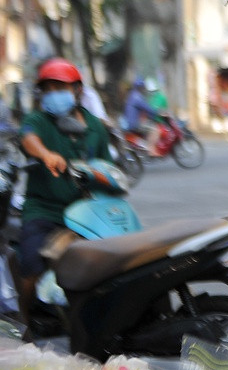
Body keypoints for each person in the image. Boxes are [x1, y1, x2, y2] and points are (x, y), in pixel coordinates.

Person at [15, 57, 112, 327]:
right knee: (31, 262)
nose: (53, 94)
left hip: (87, 211)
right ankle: (24, 320)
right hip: (45, 209)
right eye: (48, 89)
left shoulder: (94, 127)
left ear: (78, 91)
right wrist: (46, 154)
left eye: (60, 88)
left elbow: (108, 167)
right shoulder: (39, 120)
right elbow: (28, 137)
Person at [123, 77, 162, 155]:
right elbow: (147, 108)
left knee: (147, 125)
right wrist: (156, 113)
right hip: (134, 124)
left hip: (129, 123)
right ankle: (151, 150)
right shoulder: (137, 97)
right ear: (141, 87)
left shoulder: (132, 95)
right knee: (156, 130)